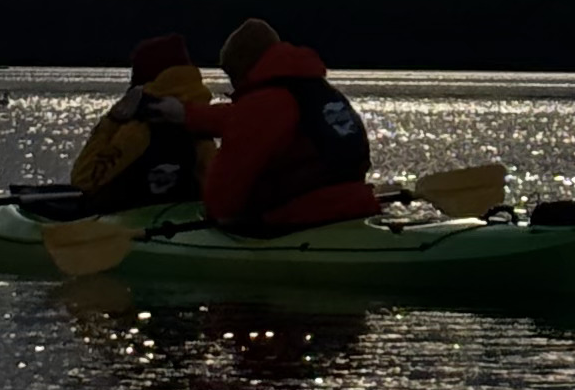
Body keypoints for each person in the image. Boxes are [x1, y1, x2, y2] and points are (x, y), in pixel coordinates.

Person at [195, 17, 380, 230]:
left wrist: (217, 217)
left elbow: (222, 196)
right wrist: (187, 115)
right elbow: (237, 118)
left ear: (242, 68)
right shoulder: (316, 91)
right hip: (357, 205)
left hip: (299, 219)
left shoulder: (264, 102)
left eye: (231, 75)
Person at [59, 33, 210, 214]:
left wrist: (112, 121)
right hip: (182, 220)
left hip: (130, 221)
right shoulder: (201, 125)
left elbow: (84, 180)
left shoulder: (138, 130)